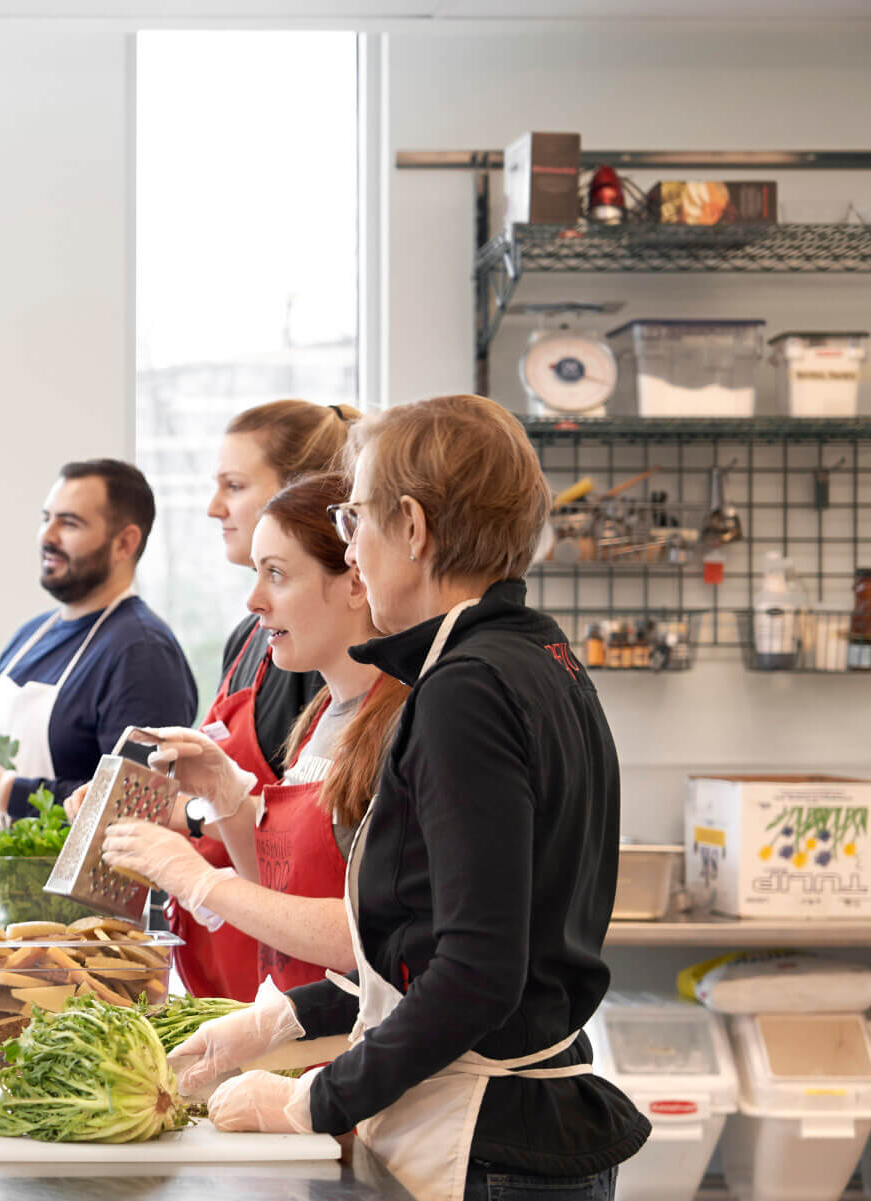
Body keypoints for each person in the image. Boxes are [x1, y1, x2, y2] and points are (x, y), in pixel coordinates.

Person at [167, 395, 648, 1201]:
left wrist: (311, 1099)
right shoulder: (538, 655)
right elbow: (425, 947)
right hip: (520, 1124)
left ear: (414, 530)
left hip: (483, 1140)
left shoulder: (466, 690)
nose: (351, 552)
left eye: (354, 520)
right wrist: (278, 1021)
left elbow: (474, 975)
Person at [99, 472, 408, 995]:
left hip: (363, 1053)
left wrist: (198, 880)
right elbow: (276, 887)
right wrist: (226, 794)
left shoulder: (402, 722)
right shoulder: (320, 714)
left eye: (277, 575)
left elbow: (368, 936)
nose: (253, 601)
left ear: (355, 581)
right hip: (301, 1038)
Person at [0, 458, 200, 924]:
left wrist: (5, 794)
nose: (48, 536)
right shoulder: (32, 636)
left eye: (70, 522)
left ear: (125, 542)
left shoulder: (140, 652)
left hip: (79, 941)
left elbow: (137, 808)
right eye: (46, 518)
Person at [166, 400, 357, 1001]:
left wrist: (190, 829)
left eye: (235, 485)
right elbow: (273, 859)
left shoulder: (329, 664)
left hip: (298, 984)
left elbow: (355, 925)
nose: (213, 507)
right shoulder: (260, 640)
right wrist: (217, 790)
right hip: (254, 975)